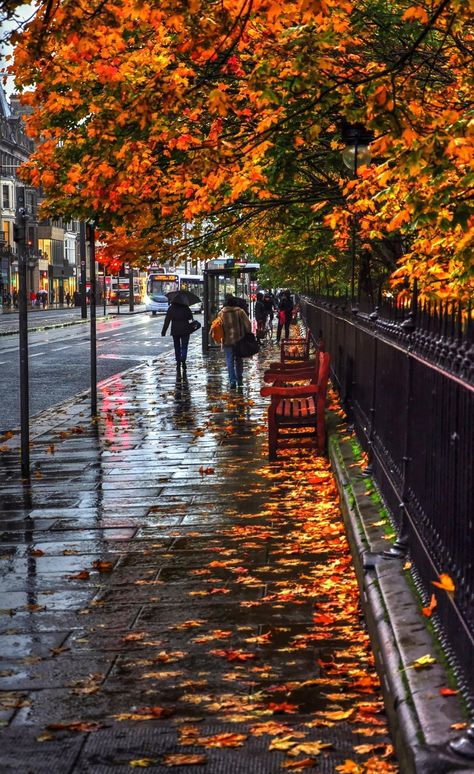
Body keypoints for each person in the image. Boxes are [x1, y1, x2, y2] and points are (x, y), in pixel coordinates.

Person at [219, 293, 251, 388]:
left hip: (227, 340)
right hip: (239, 339)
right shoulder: (240, 311)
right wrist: (247, 333)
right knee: (239, 360)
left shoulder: (221, 313)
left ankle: (232, 380)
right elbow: (248, 325)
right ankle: (239, 379)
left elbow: (218, 326)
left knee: (229, 360)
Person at [161, 299, 193, 371]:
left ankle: (178, 362)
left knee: (177, 346)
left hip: (175, 330)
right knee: (184, 346)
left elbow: (167, 320)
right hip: (185, 329)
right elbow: (190, 317)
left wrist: (164, 331)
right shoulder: (186, 307)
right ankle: (183, 359)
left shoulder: (171, 308)